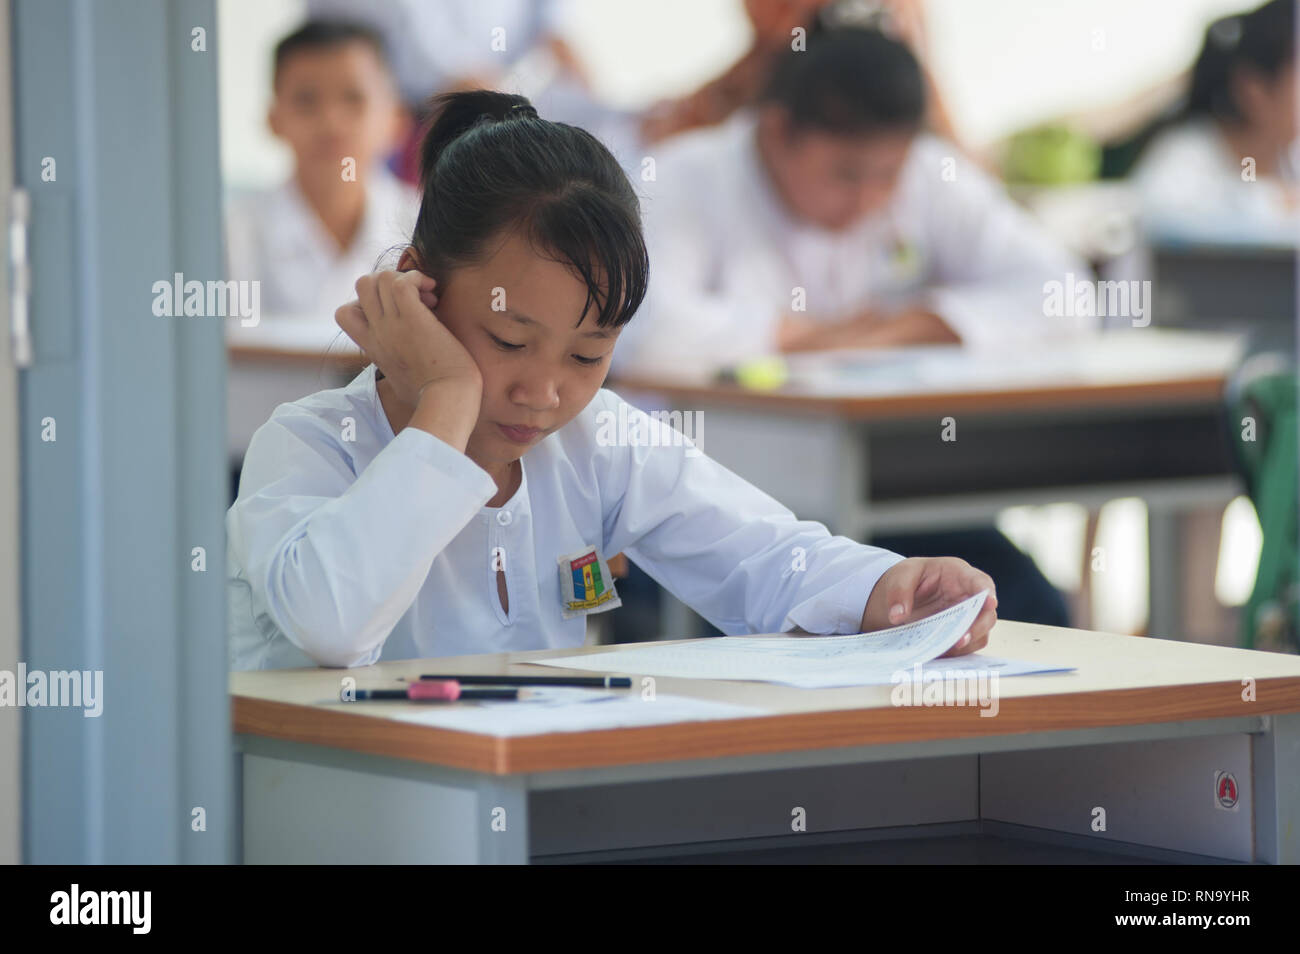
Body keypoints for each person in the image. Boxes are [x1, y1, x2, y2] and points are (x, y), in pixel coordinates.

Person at [226, 90, 998, 671]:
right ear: (417, 290)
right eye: (507, 339)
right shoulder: (309, 446)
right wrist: (448, 400)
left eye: (587, 356)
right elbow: (331, 623)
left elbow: (763, 554)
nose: (545, 392)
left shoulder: (595, 445)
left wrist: (892, 585)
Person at [613, 27, 1088, 629]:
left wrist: (901, 327)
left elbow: (1063, 293)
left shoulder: (925, 176)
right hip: (715, 507)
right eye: (845, 174)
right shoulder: (681, 178)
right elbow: (640, 330)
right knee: (712, 639)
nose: (870, 199)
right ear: (776, 129)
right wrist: (810, 336)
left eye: (887, 176)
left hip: (893, 484)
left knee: (1028, 609)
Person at [225, 19, 419, 319]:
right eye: (306, 100)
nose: (331, 122)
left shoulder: (427, 227)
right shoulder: (233, 234)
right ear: (273, 119)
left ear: (396, 120)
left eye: (354, 99)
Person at [1130, 0, 1296, 238]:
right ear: (1254, 90)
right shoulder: (1181, 165)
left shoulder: (1290, 157)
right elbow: (1159, 222)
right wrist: (1277, 203)